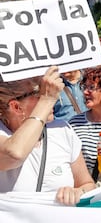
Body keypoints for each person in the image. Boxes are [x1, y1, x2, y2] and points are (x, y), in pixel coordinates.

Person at [0, 66, 95, 205]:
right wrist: (47, 100)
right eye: (41, 93)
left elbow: (87, 184)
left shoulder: (62, 129)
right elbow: (15, 154)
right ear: (16, 107)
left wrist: (78, 192)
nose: (54, 98)